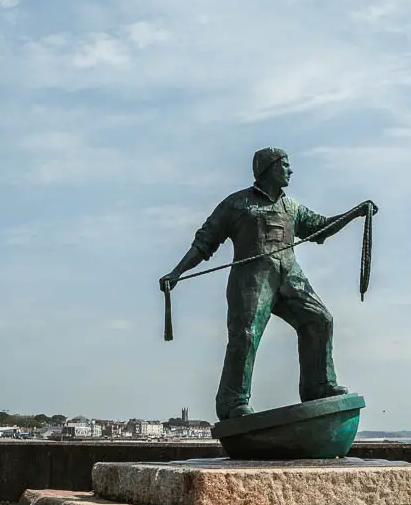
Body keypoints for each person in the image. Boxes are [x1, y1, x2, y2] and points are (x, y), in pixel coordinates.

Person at [159, 148, 379, 420]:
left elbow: (320, 228)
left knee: (320, 319)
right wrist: (177, 272)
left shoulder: (291, 207)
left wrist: (356, 213)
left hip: (289, 275)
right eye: (285, 165)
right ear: (269, 168)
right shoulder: (237, 204)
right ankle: (232, 401)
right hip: (251, 279)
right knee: (246, 335)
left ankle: (317, 386)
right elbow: (205, 241)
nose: (290, 170)